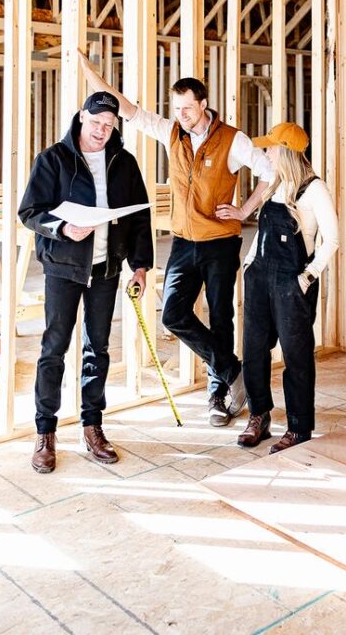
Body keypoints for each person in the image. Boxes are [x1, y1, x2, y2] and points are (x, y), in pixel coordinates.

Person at [79, 51, 274, 427]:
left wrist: (245, 209)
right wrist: (92, 75)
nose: (182, 114)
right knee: (172, 314)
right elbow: (128, 109)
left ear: (203, 105)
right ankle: (234, 371)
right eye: (177, 107)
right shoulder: (171, 132)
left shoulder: (233, 140)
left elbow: (268, 172)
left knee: (221, 317)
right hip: (184, 241)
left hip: (220, 241)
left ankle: (218, 395)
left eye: (188, 108)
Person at [19, 90, 153, 474]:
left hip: (106, 271)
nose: (101, 131)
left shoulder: (124, 163)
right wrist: (62, 228)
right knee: (53, 349)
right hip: (63, 267)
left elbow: (139, 218)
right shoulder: (53, 160)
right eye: (96, 123)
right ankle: (45, 433)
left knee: (99, 349)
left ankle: (92, 426)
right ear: (81, 117)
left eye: (109, 126)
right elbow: (29, 212)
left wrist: (140, 265)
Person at [232, 122, 339, 454]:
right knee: (253, 351)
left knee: (297, 357)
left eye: (271, 148)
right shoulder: (275, 184)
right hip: (260, 278)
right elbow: (263, 234)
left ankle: (298, 426)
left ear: (286, 152)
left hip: (292, 283)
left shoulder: (313, 189)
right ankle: (259, 415)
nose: (266, 153)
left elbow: (332, 239)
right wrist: (249, 263)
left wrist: (307, 277)